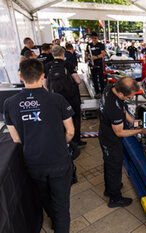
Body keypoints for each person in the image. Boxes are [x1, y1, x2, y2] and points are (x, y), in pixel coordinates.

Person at [3, 59, 75, 233]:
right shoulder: (57, 99)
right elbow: (71, 132)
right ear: (43, 75)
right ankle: (60, 227)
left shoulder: (9, 104)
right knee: (62, 203)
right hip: (59, 160)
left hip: (33, 162)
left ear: (20, 76)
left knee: (43, 196)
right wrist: (59, 142)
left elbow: (16, 139)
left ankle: (51, 215)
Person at [99, 77, 146, 208]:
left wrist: (133, 122)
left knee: (109, 164)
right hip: (110, 139)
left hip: (106, 132)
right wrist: (141, 131)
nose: (130, 99)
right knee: (114, 167)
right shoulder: (113, 108)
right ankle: (114, 198)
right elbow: (119, 132)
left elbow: (123, 109)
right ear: (121, 93)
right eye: (129, 97)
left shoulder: (111, 88)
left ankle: (109, 188)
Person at [44, 45, 86, 147]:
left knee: (58, 119)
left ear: (53, 54)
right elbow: (78, 80)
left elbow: (44, 84)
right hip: (70, 98)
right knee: (75, 118)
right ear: (63, 54)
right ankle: (76, 141)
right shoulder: (68, 65)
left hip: (55, 99)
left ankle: (62, 141)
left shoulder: (47, 66)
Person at [85, 32, 106, 98]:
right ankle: (97, 92)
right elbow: (86, 52)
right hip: (92, 64)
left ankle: (102, 92)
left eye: (95, 38)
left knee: (101, 78)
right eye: (93, 38)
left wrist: (96, 57)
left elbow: (103, 54)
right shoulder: (89, 45)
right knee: (94, 79)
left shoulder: (100, 45)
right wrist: (87, 57)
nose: (94, 39)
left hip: (99, 63)